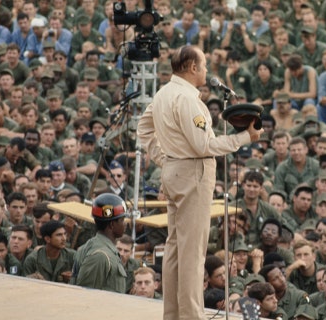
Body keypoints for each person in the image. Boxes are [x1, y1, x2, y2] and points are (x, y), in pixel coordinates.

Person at [137, 45, 262, 320]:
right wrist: (244, 139)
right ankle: (191, 316)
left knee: (175, 250)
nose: (206, 70)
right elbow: (203, 145)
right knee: (192, 255)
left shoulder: (163, 94)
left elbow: (143, 128)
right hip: (192, 174)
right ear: (192, 67)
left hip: (174, 172)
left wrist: (164, 159)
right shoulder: (188, 99)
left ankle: (173, 314)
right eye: (204, 65)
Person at [70, 193, 127, 293]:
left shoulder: (95, 247)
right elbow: (86, 296)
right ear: (112, 225)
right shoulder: (101, 255)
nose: (125, 223)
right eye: (122, 220)